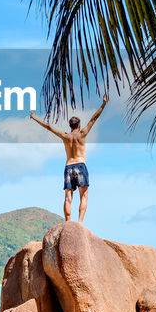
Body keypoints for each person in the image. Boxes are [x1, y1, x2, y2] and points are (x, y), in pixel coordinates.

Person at [30, 92, 109, 223]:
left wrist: (35, 118)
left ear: (70, 125)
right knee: (83, 196)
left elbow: (49, 127)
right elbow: (93, 119)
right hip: (80, 165)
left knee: (68, 197)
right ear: (79, 125)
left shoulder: (65, 136)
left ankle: (67, 222)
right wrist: (103, 104)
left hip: (68, 166)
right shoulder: (82, 133)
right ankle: (79, 223)